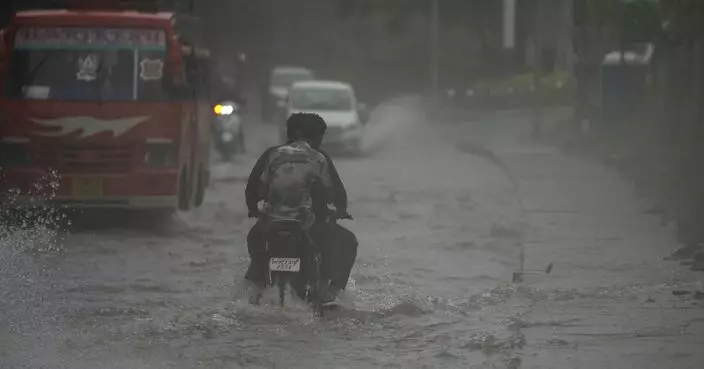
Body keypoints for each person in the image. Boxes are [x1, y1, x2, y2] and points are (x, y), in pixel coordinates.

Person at [244, 113, 358, 304]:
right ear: (316, 137)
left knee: (255, 240)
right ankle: (331, 291)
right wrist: (339, 210)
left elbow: (254, 188)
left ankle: (258, 284)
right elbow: (335, 192)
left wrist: (253, 209)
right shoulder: (320, 157)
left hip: (272, 224)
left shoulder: (272, 154)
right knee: (348, 242)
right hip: (308, 224)